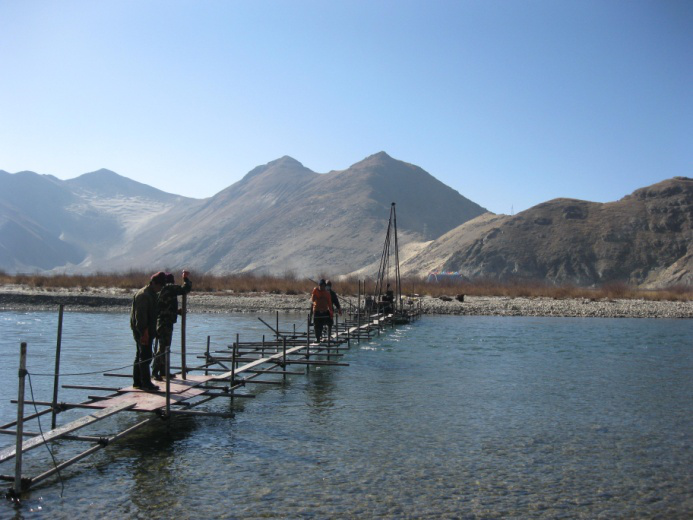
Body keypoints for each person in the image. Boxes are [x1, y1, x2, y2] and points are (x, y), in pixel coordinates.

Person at [152, 270, 192, 381]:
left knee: (165, 347)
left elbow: (166, 307)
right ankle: (155, 371)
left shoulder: (162, 290)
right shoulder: (169, 288)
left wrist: (176, 311)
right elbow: (185, 289)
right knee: (163, 347)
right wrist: (185, 278)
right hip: (165, 323)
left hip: (162, 322)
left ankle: (163, 371)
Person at [130, 271, 166, 391]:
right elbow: (140, 317)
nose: (161, 288)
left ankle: (138, 382)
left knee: (140, 355)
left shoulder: (152, 294)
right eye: (160, 286)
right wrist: (144, 333)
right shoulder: (144, 295)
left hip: (147, 330)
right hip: (142, 331)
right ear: (154, 283)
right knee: (145, 356)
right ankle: (145, 382)